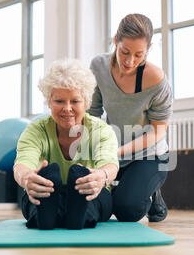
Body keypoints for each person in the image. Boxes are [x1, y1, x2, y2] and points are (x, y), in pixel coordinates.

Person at [14, 59, 119, 230]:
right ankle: (52, 216)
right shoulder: (35, 130)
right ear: (49, 102)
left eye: (75, 101)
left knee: (90, 200)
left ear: (86, 103)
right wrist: (27, 178)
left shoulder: (100, 130)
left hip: (89, 189)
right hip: (48, 191)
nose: (67, 108)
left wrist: (102, 176)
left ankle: (74, 215)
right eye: (59, 101)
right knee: (38, 196)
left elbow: (110, 164)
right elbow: (21, 165)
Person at [89, 13, 173, 223]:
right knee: (93, 201)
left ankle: (153, 194)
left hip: (150, 155)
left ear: (148, 49)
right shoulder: (98, 67)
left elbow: (158, 131)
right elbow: (93, 113)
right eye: (124, 52)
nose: (130, 61)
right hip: (112, 152)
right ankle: (129, 187)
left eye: (138, 55)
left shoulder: (157, 81)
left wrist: (116, 151)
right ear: (116, 39)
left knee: (127, 210)